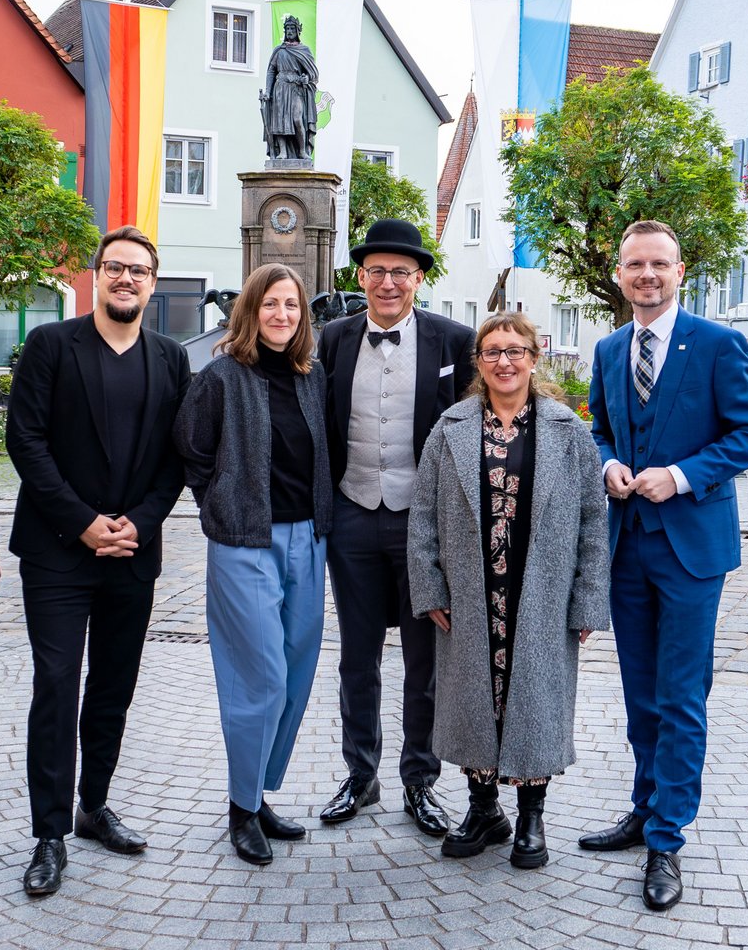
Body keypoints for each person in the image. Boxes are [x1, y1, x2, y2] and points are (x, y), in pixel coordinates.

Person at [583, 220, 748, 911]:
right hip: (627, 543)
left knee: (683, 696)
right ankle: (643, 808)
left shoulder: (719, 345)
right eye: (635, 265)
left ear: (680, 270)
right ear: (620, 273)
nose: (647, 276)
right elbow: (601, 423)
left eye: (658, 264)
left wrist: (683, 475)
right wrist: (607, 462)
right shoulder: (608, 348)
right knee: (641, 695)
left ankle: (668, 838)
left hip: (692, 548)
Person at [6, 225, 190, 897]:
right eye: (115, 267)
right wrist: (84, 524)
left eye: (139, 270)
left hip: (132, 555)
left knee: (113, 685)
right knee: (56, 685)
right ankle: (49, 832)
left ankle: (93, 806)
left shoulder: (170, 359)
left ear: (152, 282)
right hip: (58, 552)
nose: (126, 279)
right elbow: (25, 441)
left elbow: (178, 456)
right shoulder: (52, 346)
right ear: (96, 274)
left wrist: (136, 524)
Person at [408, 313, 609, 868]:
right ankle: (483, 810)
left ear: (534, 357)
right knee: (475, 702)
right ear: (478, 362)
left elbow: (594, 519)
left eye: (516, 350)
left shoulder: (567, 432)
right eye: (493, 351)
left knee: (534, 704)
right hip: (472, 595)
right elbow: (423, 515)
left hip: (538, 593)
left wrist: (588, 598)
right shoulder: (451, 427)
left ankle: (530, 818)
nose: (505, 361)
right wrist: (428, 587)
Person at [317, 218, 476, 837]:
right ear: (361, 276)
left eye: (401, 272)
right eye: (378, 271)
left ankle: (420, 780)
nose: (388, 283)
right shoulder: (332, 340)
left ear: (419, 279)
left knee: (424, 659)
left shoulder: (454, 342)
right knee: (357, 657)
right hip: (353, 512)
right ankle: (360, 776)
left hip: (423, 522)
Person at [174, 263, 333, 866]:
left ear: (302, 316)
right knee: (259, 674)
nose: (281, 315)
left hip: (308, 540)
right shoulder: (220, 378)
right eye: (270, 304)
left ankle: (258, 791)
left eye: (291, 305)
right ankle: (241, 809)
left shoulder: (312, 378)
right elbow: (190, 449)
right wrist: (221, 503)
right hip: (245, 542)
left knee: (294, 671)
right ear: (249, 310)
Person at [261, 14, 318, 160]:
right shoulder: (279, 50)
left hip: (295, 89)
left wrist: (307, 78)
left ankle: (302, 150)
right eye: (287, 28)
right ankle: (283, 151)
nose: (290, 31)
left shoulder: (304, 50)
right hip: (280, 88)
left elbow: (312, 73)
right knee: (280, 120)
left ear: (298, 31)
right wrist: (268, 91)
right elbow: (271, 71)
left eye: (293, 28)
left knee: (297, 119)